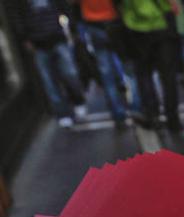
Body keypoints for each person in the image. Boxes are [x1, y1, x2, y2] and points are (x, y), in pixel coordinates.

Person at [8, 0, 87, 128]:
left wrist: (70, 27)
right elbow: (16, 16)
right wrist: (25, 38)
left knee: (70, 73)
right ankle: (63, 113)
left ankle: (78, 100)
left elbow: (63, 7)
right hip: (38, 42)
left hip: (56, 36)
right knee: (49, 82)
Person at [117, 0, 183, 131]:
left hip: (136, 28)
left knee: (144, 75)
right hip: (161, 24)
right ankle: (173, 119)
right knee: (168, 76)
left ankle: (153, 116)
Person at [78, 0, 141, 129]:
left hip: (93, 24)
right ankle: (136, 107)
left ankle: (118, 114)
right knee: (129, 68)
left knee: (107, 74)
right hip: (115, 21)